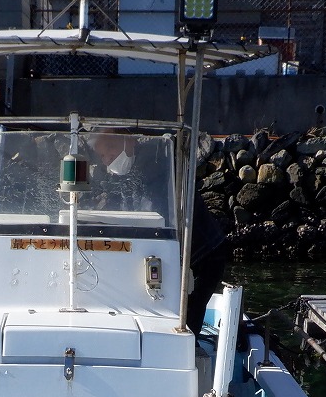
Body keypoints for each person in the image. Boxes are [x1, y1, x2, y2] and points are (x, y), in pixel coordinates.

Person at [88, 131, 227, 335]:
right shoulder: (128, 171)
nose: (107, 158)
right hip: (176, 250)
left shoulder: (157, 161)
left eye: (111, 149)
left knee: (188, 319)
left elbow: (152, 213)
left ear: (130, 140)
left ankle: (189, 346)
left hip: (204, 252)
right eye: (102, 155)